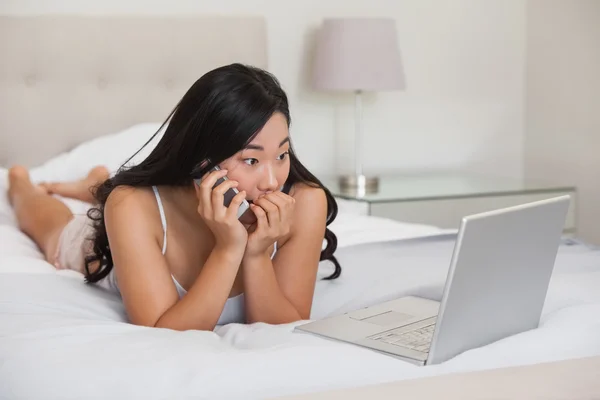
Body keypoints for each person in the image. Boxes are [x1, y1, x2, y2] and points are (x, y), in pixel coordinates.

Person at [7, 63, 341, 331]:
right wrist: (227, 248)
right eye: (251, 160)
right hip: (97, 241)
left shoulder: (305, 200)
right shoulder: (131, 205)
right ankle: (21, 181)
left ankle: (94, 183)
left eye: (281, 155)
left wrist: (254, 254)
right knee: (47, 223)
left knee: (104, 192)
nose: (271, 181)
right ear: (203, 161)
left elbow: (288, 328)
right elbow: (163, 333)